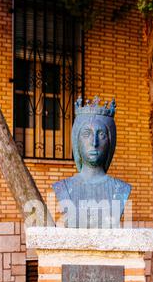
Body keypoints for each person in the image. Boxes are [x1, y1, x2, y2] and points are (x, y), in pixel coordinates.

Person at [52, 96, 131, 228]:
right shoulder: (63, 188)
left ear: (110, 143)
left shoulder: (122, 189)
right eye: (86, 134)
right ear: (77, 141)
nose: (94, 143)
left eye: (101, 135)